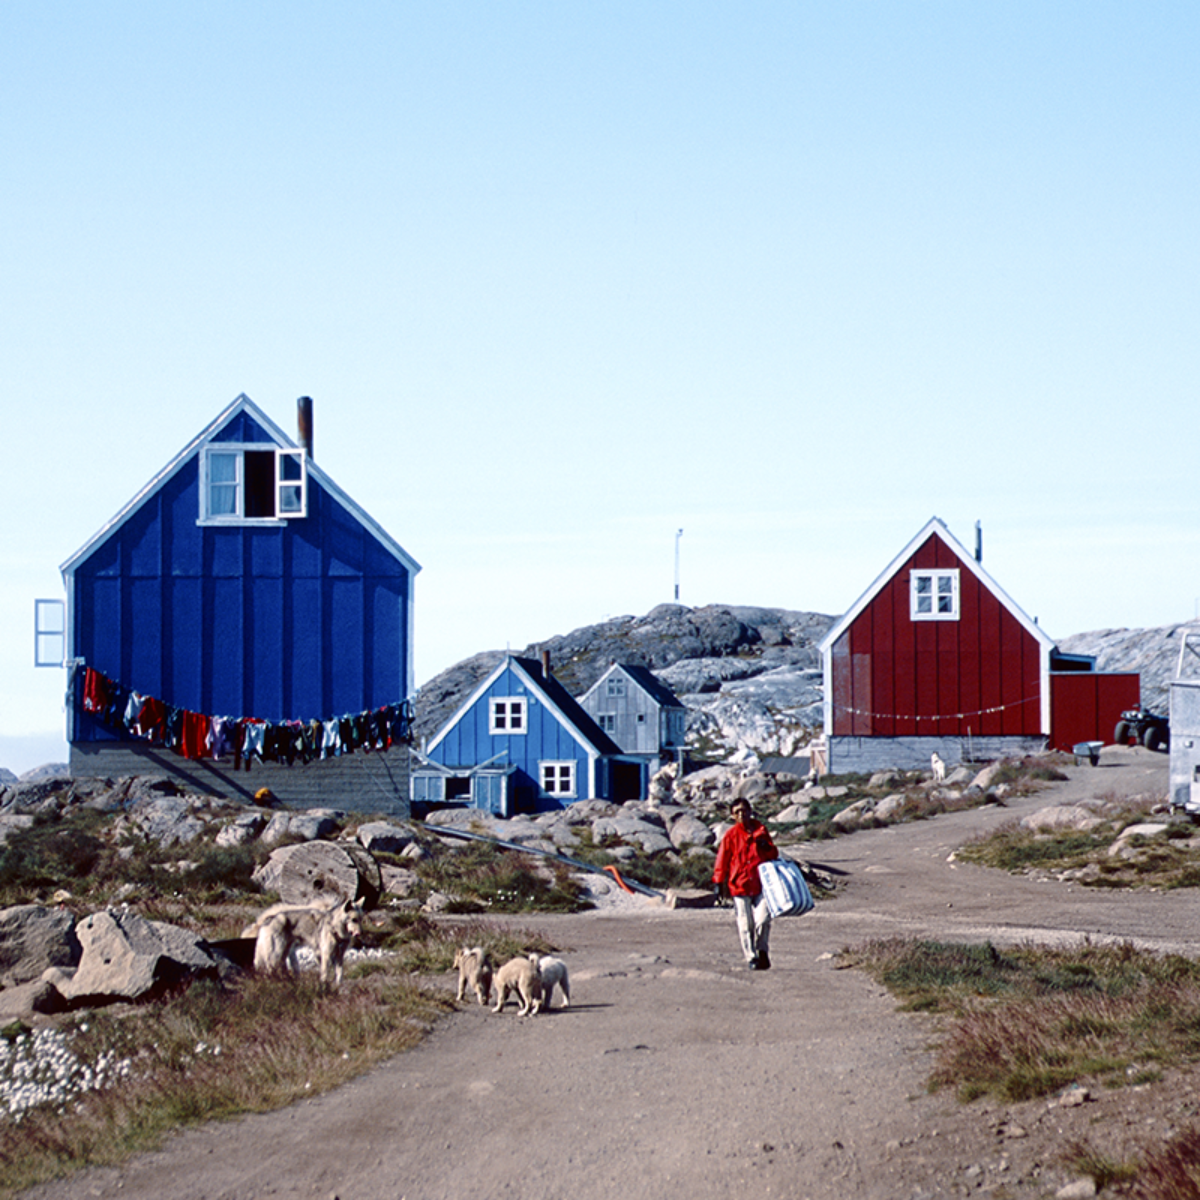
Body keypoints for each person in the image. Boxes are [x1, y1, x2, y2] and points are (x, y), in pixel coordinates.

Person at [712, 798, 779, 970]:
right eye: (737, 812)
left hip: (761, 883)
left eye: (744, 810)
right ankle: (751, 957)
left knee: (763, 920)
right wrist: (718, 882)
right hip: (739, 884)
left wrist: (766, 847)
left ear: (750, 811)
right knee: (745, 924)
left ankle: (762, 950)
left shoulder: (761, 831)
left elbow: (773, 854)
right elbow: (722, 859)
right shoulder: (730, 835)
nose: (741, 814)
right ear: (732, 815)